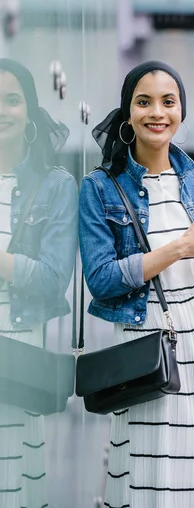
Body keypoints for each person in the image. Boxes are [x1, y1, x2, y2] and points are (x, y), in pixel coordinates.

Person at [79, 60, 194, 508]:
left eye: (168, 101)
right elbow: (101, 281)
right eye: (144, 102)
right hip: (146, 344)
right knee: (153, 474)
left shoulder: (193, 177)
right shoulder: (99, 188)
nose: (156, 112)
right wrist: (179, 247)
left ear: (181, 112)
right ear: (128, 112)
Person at [0, 59, 77, 506]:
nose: (2, 110)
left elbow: (52, 280)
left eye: (12, 100)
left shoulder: (55, 186)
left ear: (29, 111)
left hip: (15, 343)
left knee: (10, 479)